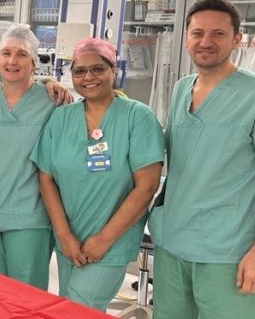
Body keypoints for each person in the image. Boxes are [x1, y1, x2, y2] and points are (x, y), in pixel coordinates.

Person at [149, 0, 255, 319]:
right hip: (173, 243)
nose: (206, 42)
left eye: (218, 34)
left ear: (236, 39)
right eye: (197, 33)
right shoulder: (180, 90)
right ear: (187, 38)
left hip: (230, 253)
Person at [32, 37, 164, 310]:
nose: (88, 77)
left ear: (113, 71)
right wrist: (64, 235)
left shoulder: (138, 117)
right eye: (79, 71)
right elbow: (46, 178)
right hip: (69, 241)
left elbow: (147, 186)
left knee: (79, 308)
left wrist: (104, 239)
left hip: (111, 242)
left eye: (98, 69)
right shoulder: (60, 118)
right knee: (75, 307)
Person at [0, 24, 56, 290]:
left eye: (21, 54)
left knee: (26, 294)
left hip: (29, 216)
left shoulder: (52, 102)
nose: (12, 61)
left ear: (34, 63)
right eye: (5, 53)